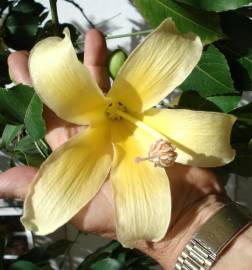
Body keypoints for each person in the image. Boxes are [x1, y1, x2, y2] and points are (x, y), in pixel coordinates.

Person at [0, 29, 252, 270]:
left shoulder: (153, 144)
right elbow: (50, 63)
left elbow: (215, 138)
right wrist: (185, 231)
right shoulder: (101, 148)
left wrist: (186, 230)